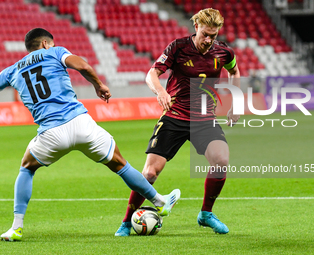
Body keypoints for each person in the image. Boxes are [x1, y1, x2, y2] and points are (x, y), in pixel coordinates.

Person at [0, 28, 180, 242]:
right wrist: (99, 85)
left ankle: (16, 227)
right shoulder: (55, 52)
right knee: (121, 165)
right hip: (81, 124)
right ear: (46, 44)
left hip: (50, 133)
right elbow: (83, 65)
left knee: (27, 168)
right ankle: (160, 201)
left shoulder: (11, 71)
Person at [115, 8, 240, 236]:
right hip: (174, 116)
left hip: (205, 118)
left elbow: (235, 72)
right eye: (205, 34)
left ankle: (206, 214)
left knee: (221, 160)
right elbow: (151, 73)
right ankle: (126, 221)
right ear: (196, 28)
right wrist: (160, 91)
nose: (208, 40)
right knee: (151, 173)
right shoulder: (178, 47)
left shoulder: (224, 52)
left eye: (213, 35)